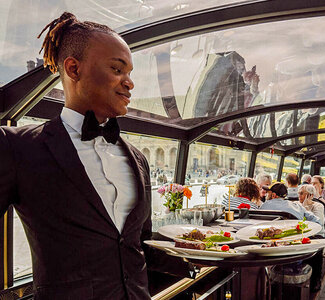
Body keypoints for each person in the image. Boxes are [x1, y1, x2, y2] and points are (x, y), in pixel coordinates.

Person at [0, 12, 188, 299]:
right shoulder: (17, 147)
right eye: (117, 70)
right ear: (74, 69)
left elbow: (138, 242)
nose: (129, 83)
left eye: (130, 73)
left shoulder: (138, 159)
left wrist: (196, 254)